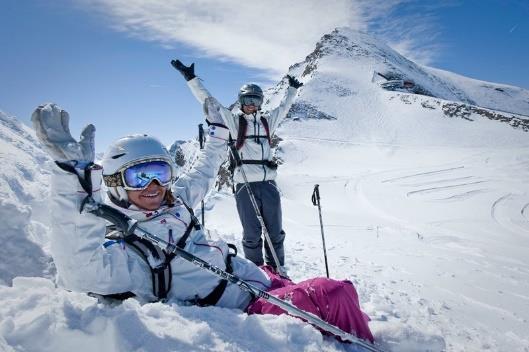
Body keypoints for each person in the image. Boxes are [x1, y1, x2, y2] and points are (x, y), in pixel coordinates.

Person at [31, 102, 373, 343]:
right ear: (116, 181)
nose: (153, 186)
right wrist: (70, 179)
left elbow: (205, 170)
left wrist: (218, 135)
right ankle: (357, 342)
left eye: (160, 173)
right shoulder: (130, 249)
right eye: (139, 176)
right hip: (248, 303)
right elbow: (79, 270)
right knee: (336, 292)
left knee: (316, 288)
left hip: (256, 279)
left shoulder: (174, 201)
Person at [171, 59, 302, 272]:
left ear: (260, 102)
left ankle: (278, 270)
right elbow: (210, 102)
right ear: (240, 101)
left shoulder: (268, 122)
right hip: (244, 186)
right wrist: (191, 79)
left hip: (268, 185)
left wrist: (293, 90)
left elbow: (284, 108)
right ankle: (257, 272)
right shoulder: (234, 122)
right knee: (251, 234)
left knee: (275, 233)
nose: (251, 104)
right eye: (247, 99)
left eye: (255, 100)